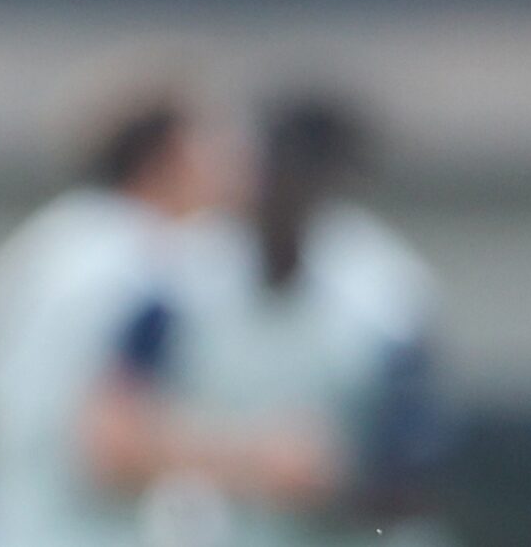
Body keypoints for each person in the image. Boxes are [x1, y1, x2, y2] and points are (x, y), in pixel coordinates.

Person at [0, 86, 336, 547]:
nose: (241, 159)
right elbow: (111, 443)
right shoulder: (148, 265)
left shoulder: (47, 246)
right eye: (219, 141)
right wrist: (263, 458)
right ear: (175, 153)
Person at [156, 93, 458, 547]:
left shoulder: (383, 291)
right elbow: (118, 423)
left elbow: (413, 471)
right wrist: (248, 460)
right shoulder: (187, 270)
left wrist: (332, 478)